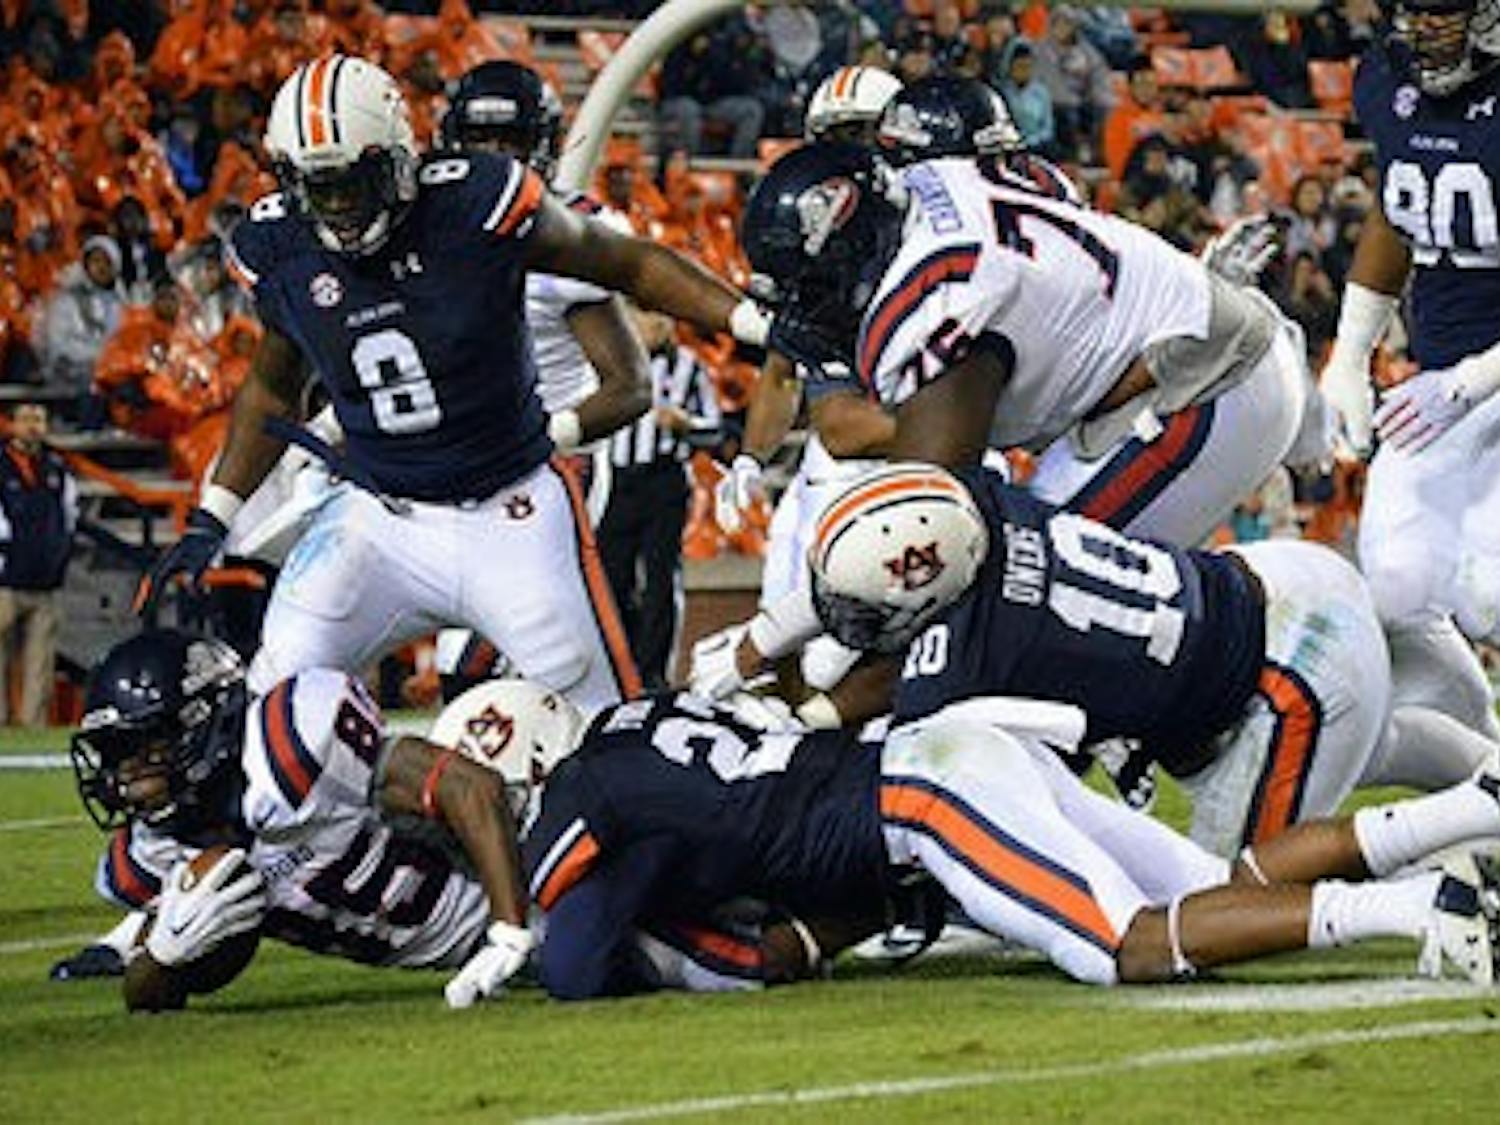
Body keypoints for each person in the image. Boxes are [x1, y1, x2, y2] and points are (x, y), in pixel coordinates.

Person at [132, 56, 771, 716]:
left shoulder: (479, 204)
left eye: (354, 183)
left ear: (400, 159)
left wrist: (751, 322)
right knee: (275, 696)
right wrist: (215, 513)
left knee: (599, 718)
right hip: (378, 510)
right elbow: (273, 385)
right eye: (319, 189)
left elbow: (627, 262)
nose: (340, 208)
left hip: (510, 503)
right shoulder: (280, 246)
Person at [696, 462, 1500, 854]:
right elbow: (883, 565)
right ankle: (1490, 776)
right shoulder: (976, 501)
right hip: (1280, 581)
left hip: (1288, 670)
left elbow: (902, 702)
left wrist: (806, 716)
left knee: (1230, 897)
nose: (851, 622)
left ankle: (1448, 874)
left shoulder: (973, 655)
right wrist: (752, 649)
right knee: (1362, 747)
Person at [521, 687, 1500, 998]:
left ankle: (1421, 905)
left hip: (924, 799)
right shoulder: (637, 717)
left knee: (1132, 944)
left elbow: (568, 957)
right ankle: (1472, 807)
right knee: (1217, 882)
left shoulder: (579, 790)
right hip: (953, 748)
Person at [63, 632, 809, 1001]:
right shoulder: (152, 850)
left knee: (743, 937)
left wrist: (507, 925)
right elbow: (180, 983)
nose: (129, 773)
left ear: (207, 725)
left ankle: (869, 867)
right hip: (481, 942)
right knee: (724, 953)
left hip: (530, 866)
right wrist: (161, 960)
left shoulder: (296, 744)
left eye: (145, 747)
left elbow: (468, 790)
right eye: (118, 754)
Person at [738, 142, 1321, 552]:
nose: (804, 304)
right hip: (1199, 347)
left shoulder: (937, 303)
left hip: (1204, 383)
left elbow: (926, 506)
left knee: (1035, 588)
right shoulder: (936, 176)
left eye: (809, 286)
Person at [1319, 0, 1500, 772]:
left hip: (1473, 379)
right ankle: (1483, 769)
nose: (1428, 30)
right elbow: (1400, 208)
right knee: (1395, 588)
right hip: (1443, 382)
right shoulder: (1388, 82)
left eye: (1448, 12)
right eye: (1416, 12)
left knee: (1488, 593)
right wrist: (1350, 353)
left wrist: (1471, 380)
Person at [598, 310, 720, 689]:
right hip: (614, 480)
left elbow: (715, 430)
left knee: (660, 579)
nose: (655, 326)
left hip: (663, 478)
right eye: (645, 317)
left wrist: (687, 424)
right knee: (610, 580)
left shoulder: (689, 366)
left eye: (662, 318)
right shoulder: (604, 361)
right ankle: (621, 669)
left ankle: (653, 674)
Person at [0, 402, 76, 725]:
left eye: (40, 419)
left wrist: (59, 560)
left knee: (40, 666)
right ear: (12, 424)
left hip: (46, 582)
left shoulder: (57, 469)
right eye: (27, 419)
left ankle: (34, 732)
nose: (34, 426)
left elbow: (70, 518)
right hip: (4, 581)